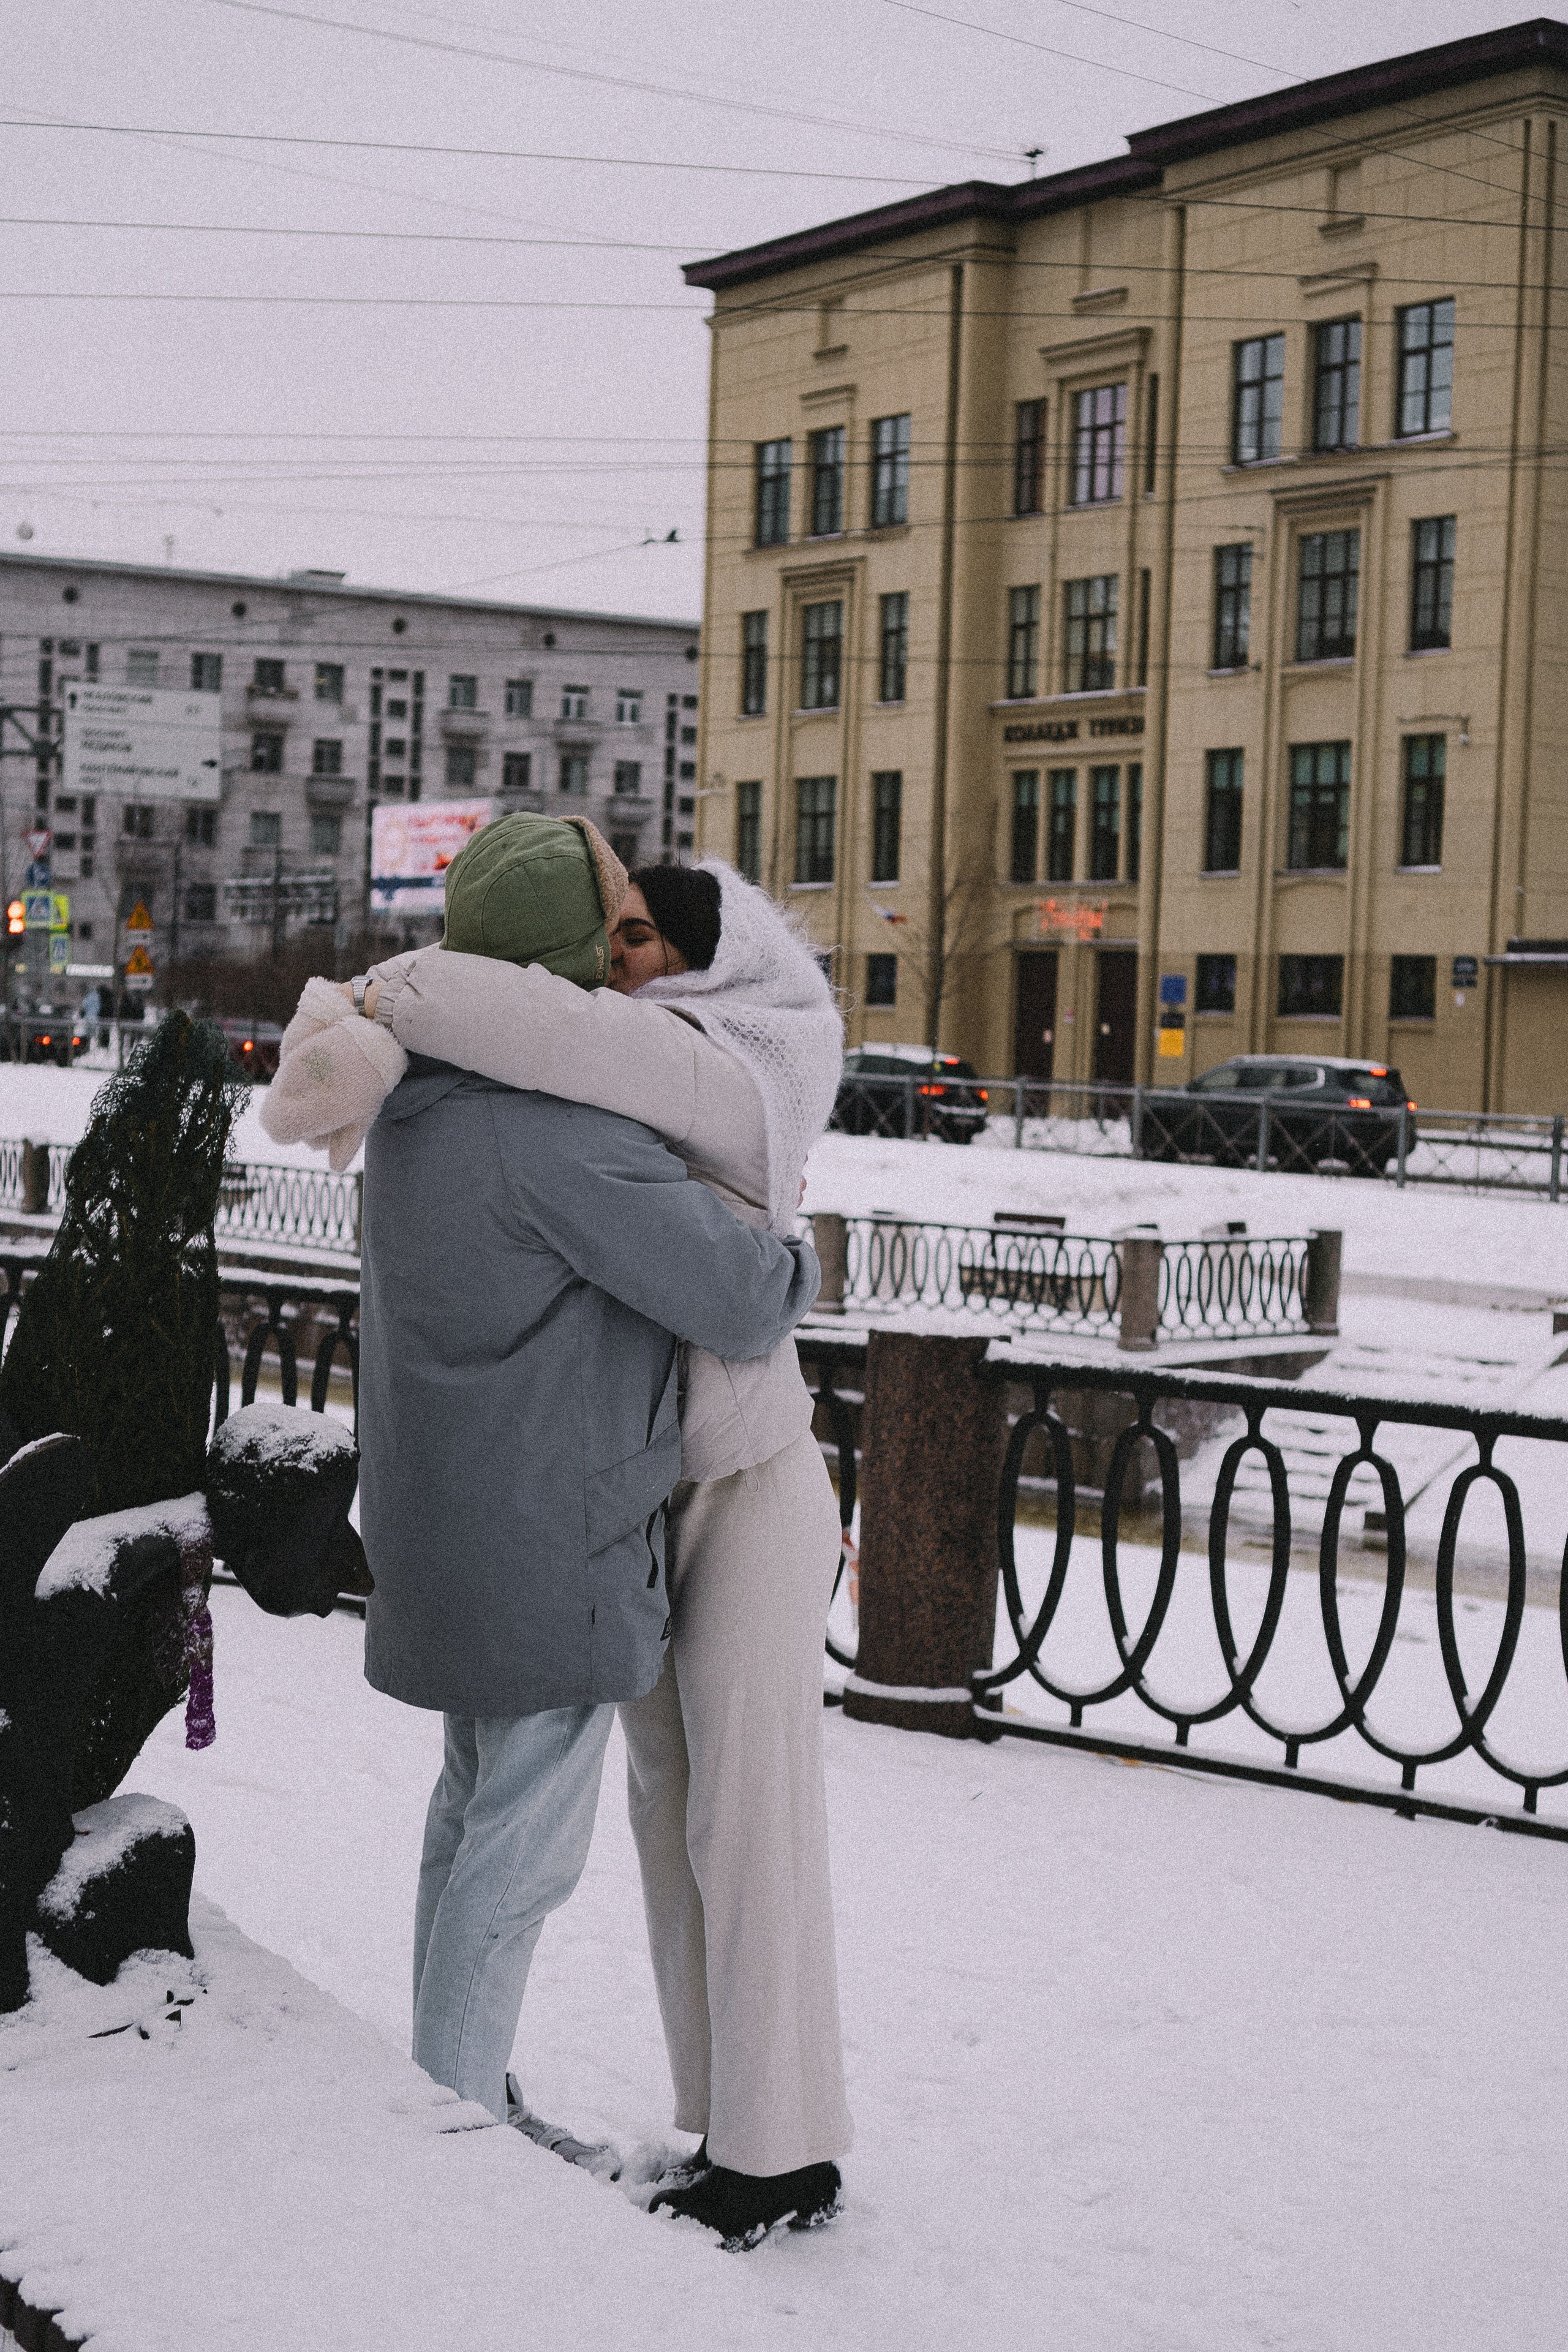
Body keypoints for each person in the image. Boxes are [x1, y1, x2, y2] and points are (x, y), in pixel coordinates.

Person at [265, 849, 854, 2251]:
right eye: (615, 937)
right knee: (657, 1817)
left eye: (649, 939)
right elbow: (541, 1025)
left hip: (749, 1484)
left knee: (738, 1821)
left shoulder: (708, 1061)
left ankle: (777, 2156)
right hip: (635, 1500)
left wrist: (387, 993)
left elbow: (542, 1028)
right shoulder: (573, 1090)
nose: (629, 963)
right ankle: (719, 2125)